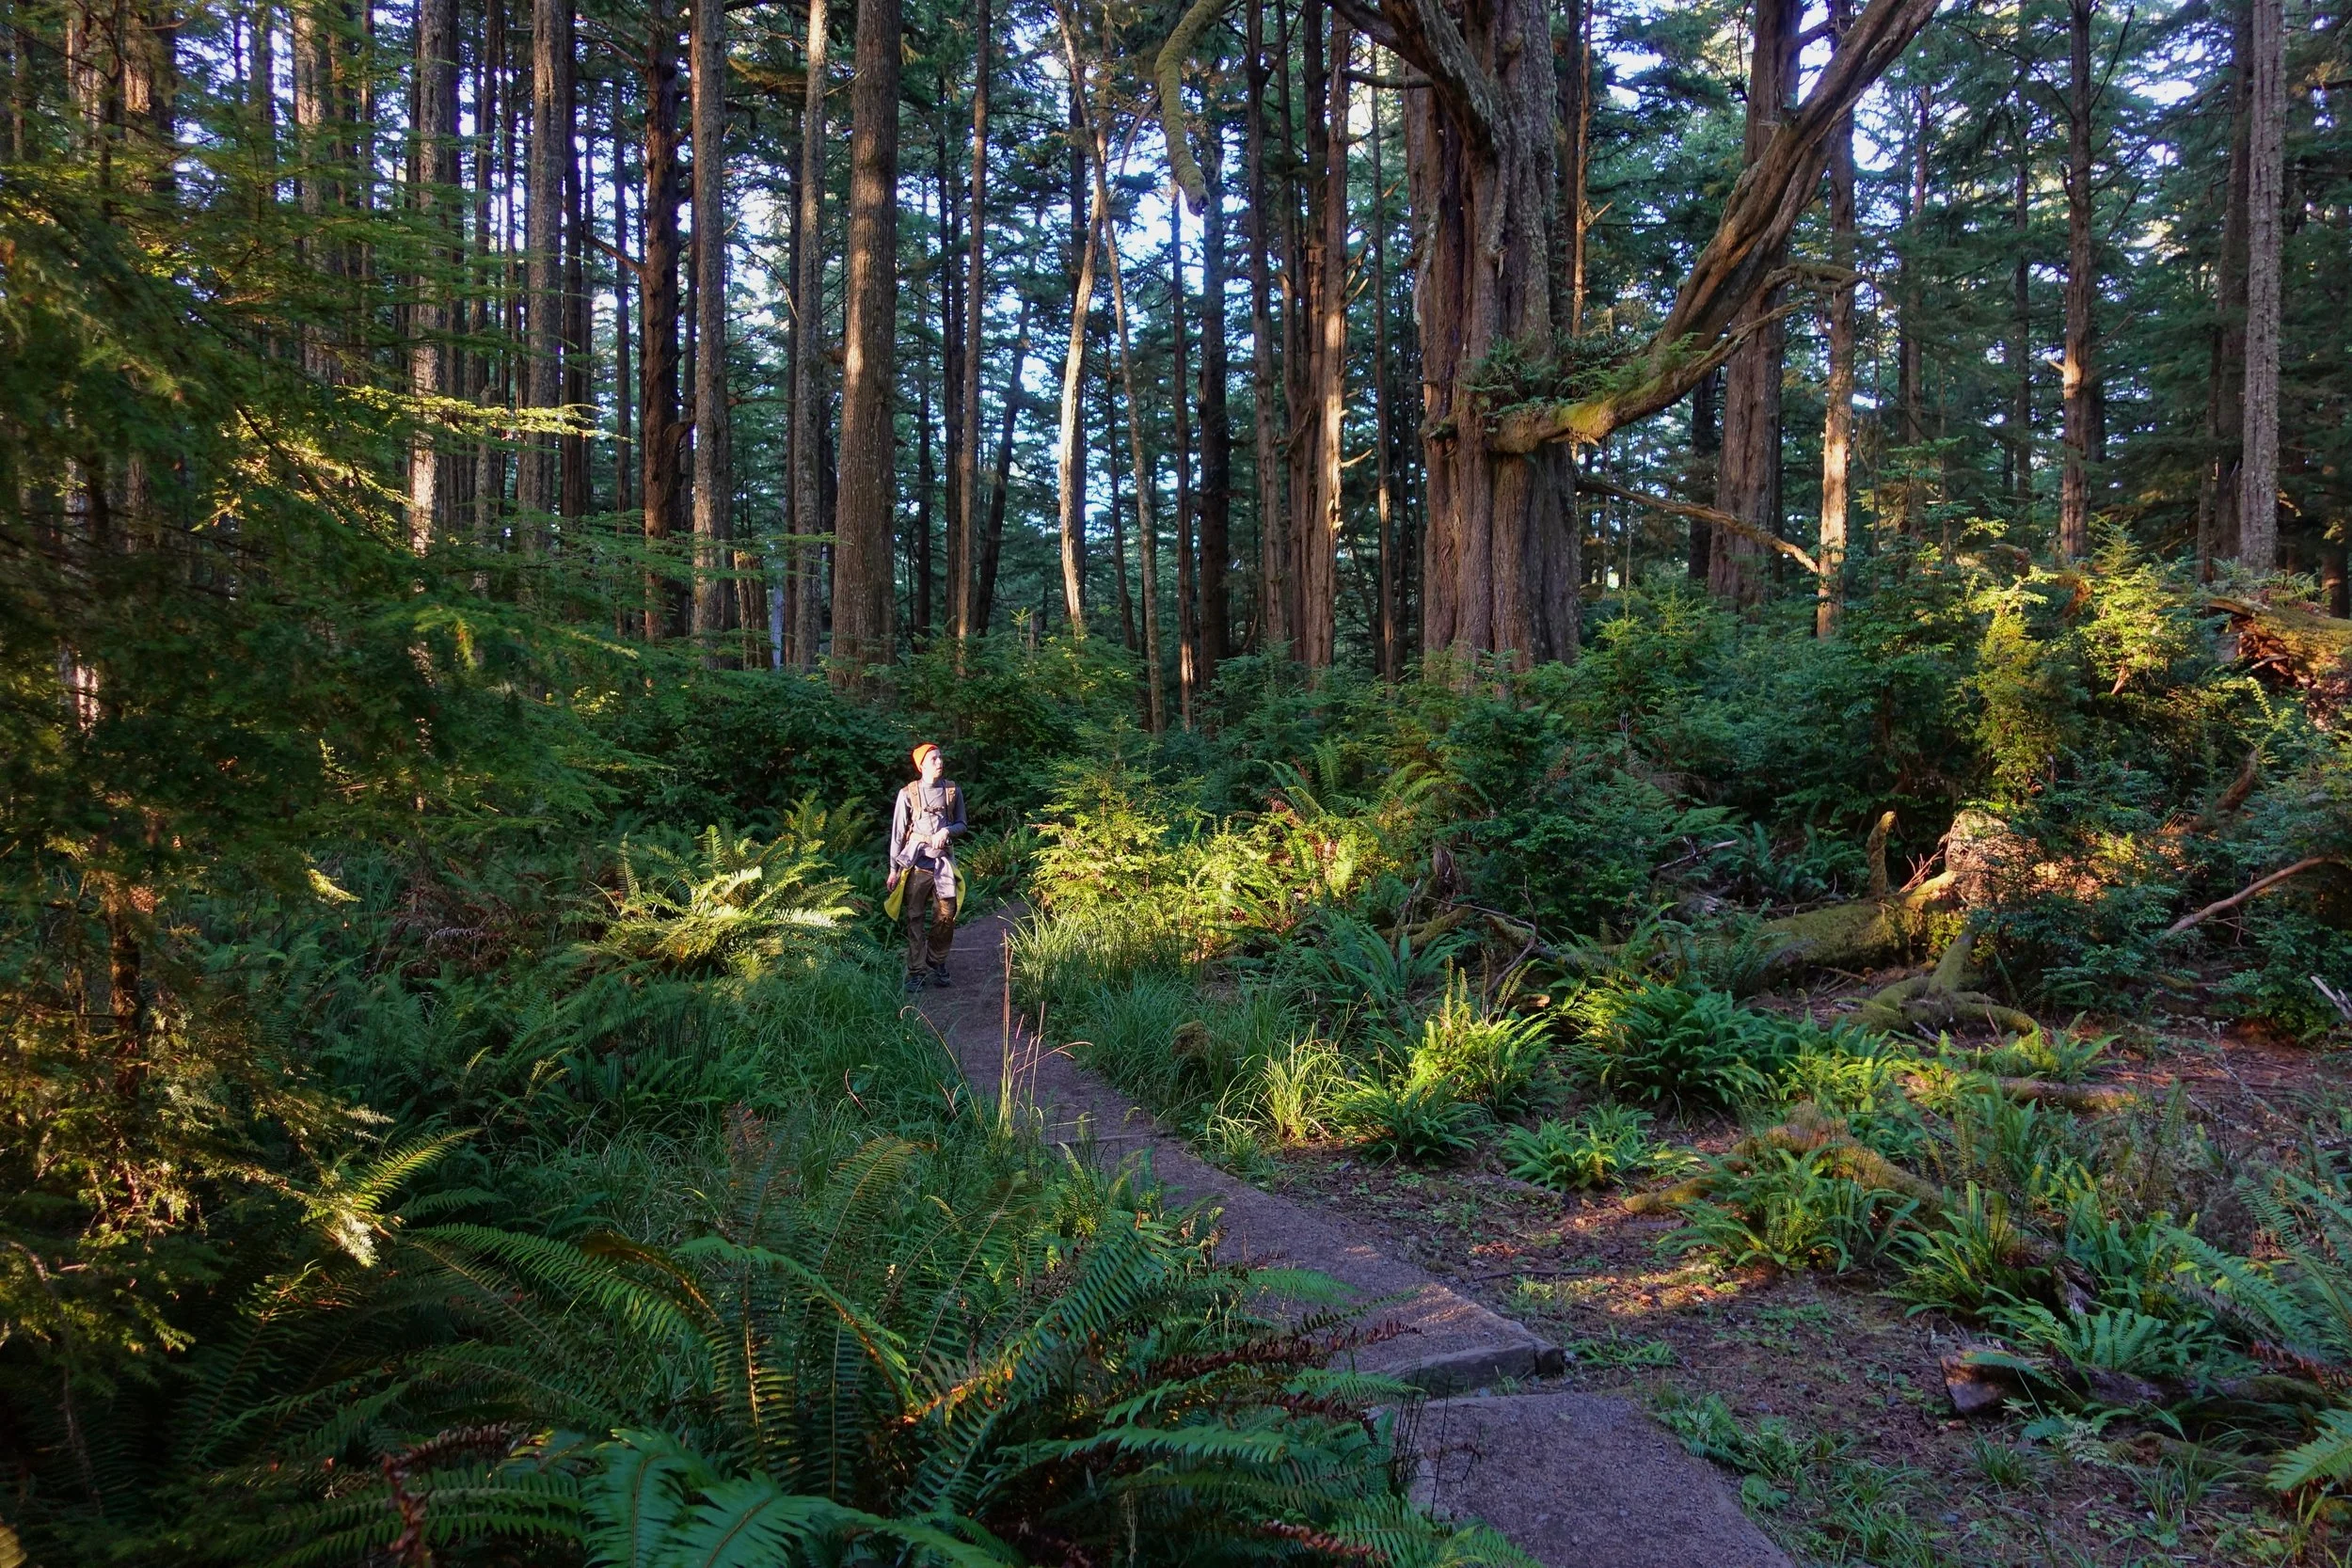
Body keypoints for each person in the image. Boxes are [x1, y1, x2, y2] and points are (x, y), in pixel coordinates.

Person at [888, 742, 967, 990]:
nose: (939, 762)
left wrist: (947, 830)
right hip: (917, 867)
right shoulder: (907, 793)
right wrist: (893, 869)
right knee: (914, 918)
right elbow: (898, 833)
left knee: (946, 916)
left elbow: (962, 824)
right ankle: (916, 971)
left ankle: (937, 960)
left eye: (940, 757)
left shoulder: (952, 790)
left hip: (943, 864)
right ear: (921, 765)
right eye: (933, 759)